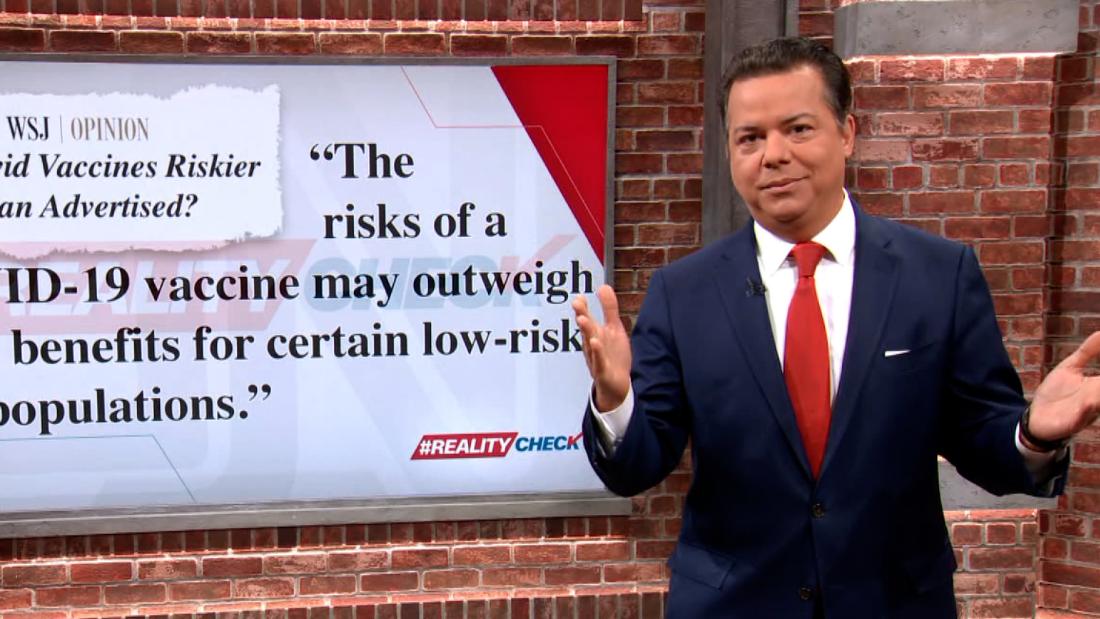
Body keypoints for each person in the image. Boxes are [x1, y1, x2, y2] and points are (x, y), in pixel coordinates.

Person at [573, 37, 1100, 619]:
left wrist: (1034, 434)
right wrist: (616, 401)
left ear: (847, 132)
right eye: (750, 138)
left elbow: (981, 440)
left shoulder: (938, 276)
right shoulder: (684, 293)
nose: (773, 155)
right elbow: (638, 465)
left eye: (797, 129)